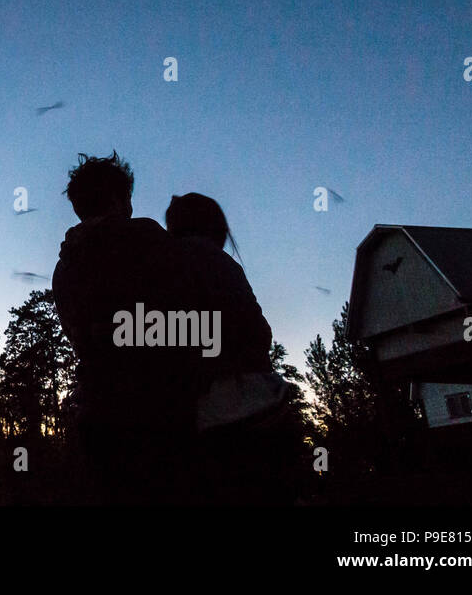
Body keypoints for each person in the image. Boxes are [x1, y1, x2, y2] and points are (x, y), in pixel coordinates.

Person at [52, 152, 205, 504]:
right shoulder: (146, 238)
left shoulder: (64, 269)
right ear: (121, 199)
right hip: (162, 418)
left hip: (97, 419)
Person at [166, 193, 294, 504]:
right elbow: (258, 331)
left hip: (215, 418)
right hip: (261, 406)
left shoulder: (168, 263)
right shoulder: (223, 265)